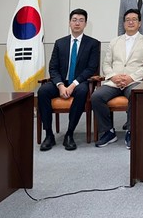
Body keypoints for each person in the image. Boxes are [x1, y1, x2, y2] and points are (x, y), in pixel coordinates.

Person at [37, 9, 101, 151]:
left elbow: (91, 68)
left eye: (81, 20)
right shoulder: (60, 43)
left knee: (82, 91)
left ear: (85, 24)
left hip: (79, 82)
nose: (77, 23)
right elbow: (53, 68)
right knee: (43, 91)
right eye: (74, 20)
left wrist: (73, 85)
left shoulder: (93, 43)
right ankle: (49, 134)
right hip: (61, 81)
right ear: (69, 23)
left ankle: (69, 133)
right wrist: (60, 85)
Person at [92, 9, 143, 149]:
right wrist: (114, 76)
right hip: (114, 82)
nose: (131, 22)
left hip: (134, 81)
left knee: (135, 95)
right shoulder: (115, 41)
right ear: (124, 23)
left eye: (134, 19)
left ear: (140, 23)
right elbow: (106, 64)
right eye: (128, 20)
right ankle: (108, 131)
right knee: (96, 97)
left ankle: (131, 132)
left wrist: (130, 78)